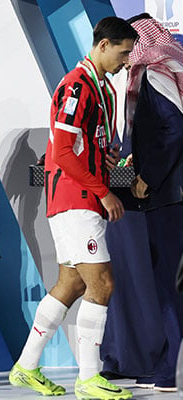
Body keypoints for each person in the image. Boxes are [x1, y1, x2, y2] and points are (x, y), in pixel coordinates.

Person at [7, 17, 136, 400]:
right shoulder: (76, 86)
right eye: (124, 52)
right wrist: (105, 191)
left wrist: (105, 155)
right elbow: (61, 152)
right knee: (103, 283)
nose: (126, 61)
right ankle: (89, 377)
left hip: (79, 199)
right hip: (76, 200)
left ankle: (26, 366)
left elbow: (81, 146)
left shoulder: (101, 89)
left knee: (73, 284)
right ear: (104, 44)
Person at [125, 13, 183, 392]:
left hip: (170, 195)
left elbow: (174, 128)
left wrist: (149, 176)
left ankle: (169, 372)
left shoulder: (154, 72)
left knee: (170, 284)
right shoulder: (172, 68)